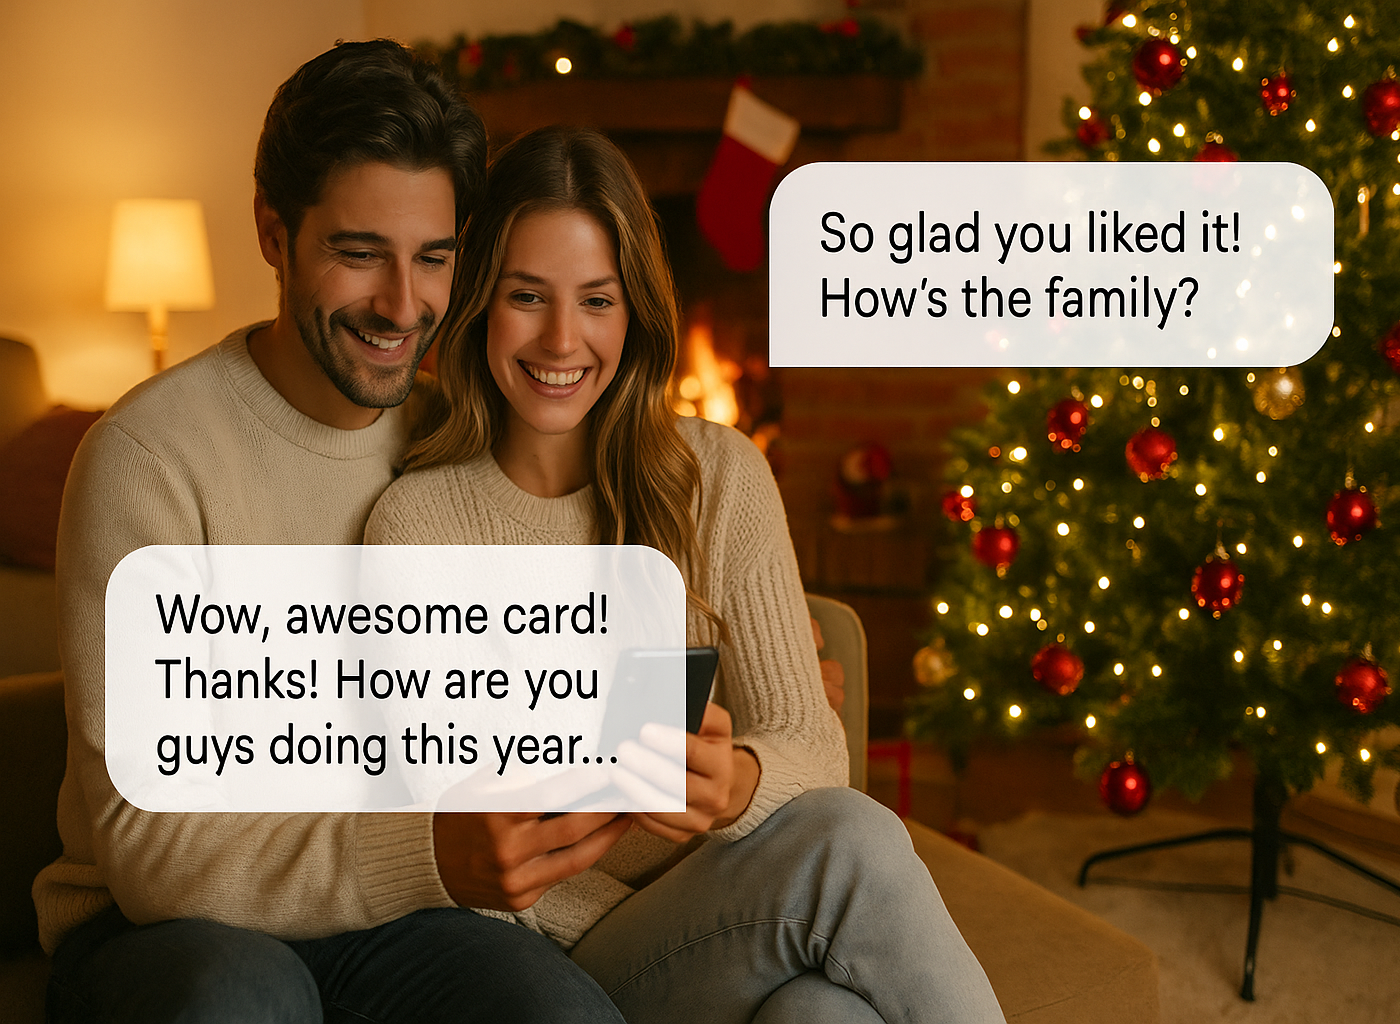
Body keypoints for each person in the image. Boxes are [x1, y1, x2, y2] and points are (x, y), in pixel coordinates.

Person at [36, 41, 634, 1023]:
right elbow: (152, 854)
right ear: (275, 232)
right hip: (167, 928)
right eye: (359, 255)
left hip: (397, 915)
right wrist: (427, 850)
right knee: (241, 999)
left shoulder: (459, 437)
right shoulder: (149, 461)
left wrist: (735, 659)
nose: (404, 308)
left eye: (433, 258)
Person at [364, 125, 1005, 1023]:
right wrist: (718, 918)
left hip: (740, 914)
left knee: (822, 1017)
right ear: (479, 303)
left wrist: (738, 782)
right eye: (526, 296)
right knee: (850, 841)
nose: (562, 338)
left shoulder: (720, 477)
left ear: (634, 313)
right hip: (563, 958)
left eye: (597, 299)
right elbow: (450, 834)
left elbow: (814, 743)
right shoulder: (418, 531)